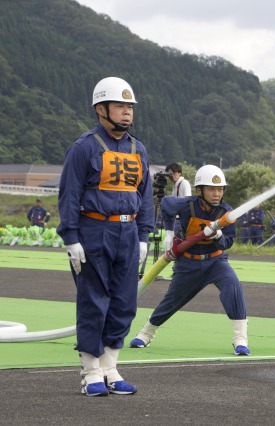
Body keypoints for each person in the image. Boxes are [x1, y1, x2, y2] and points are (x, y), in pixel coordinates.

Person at [57, 77, 154, 396]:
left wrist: (143, 237)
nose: (127, 113)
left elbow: (146, 196)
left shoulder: (138, 148)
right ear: (101, 109)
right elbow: (69, 194)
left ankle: (111, 367)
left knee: (125, 303)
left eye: (130, 107)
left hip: (128, 232)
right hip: (93, 230)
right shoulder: (83, 147)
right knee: (93, 302)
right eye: (120, 106)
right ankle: (90, 371)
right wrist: (70, 237)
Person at [129, 165, 250, 356]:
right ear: (199, 190)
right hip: (188, 263)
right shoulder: (188, 205)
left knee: (233, 287)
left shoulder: (227, 213)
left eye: (220, 189)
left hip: (215, 262)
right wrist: (169, 232)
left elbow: (228, 243)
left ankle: (240, 340)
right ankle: (145, 334)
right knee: (172, 300)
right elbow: (167, 204)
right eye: (211, 189)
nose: (217, 194)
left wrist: (218, 237)